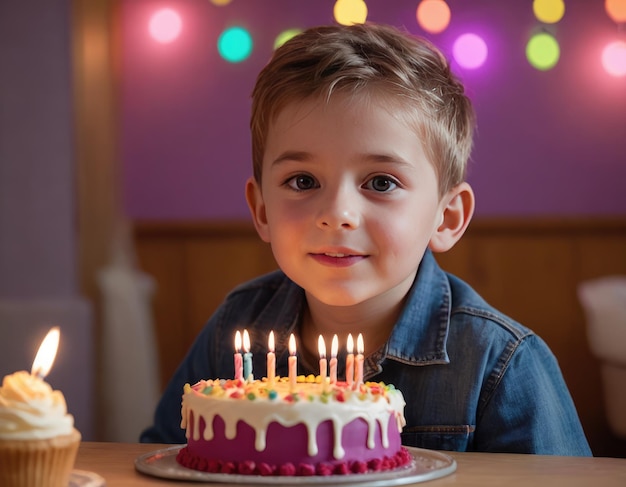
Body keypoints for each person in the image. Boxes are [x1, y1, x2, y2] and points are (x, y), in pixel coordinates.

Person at [140, 22, 591, 455]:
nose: (337, 214)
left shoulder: (499, 364)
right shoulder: (234, 330)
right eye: (302, 181)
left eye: (380, 183)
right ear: (261, 210)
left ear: (446, 217)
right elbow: (160, 457)